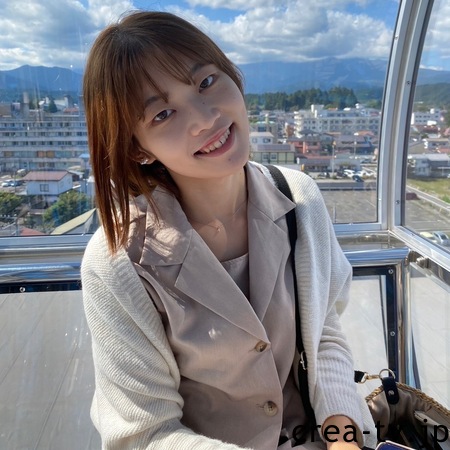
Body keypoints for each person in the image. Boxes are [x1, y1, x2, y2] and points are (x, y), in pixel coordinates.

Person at [81, 10, 377, 450]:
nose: (205, 118)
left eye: (206, 81)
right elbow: (146, 434)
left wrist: (344, 439)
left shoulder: (299, 198)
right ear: (137, 149)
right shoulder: (118, 264)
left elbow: (323, 337)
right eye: (163, 113)